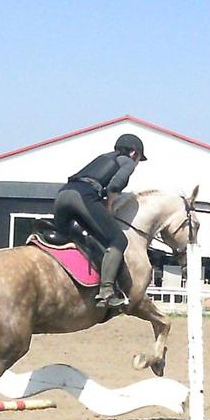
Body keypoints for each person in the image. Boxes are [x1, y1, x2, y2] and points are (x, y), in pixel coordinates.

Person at [53, 132, 147, 308]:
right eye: (138, 159)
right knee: (118, 240)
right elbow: (115, 185)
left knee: (72, 237)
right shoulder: (127, 161)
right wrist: (109, 206)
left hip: (62, 195)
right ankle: (106, 291)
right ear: (134, 153)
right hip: (82, 197)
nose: (137, 163)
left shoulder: (102, 158)